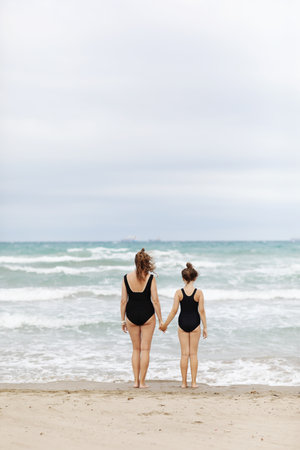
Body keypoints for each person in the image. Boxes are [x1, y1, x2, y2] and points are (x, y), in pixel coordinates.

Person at [120, 248, 163, 388]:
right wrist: (161, 320)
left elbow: (123, 301)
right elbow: (155, 300)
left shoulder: (126, 278)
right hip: (148, 315)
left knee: (135, 350)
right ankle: (143, 382)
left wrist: (122, 320)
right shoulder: (150, 278)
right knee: (145, 350)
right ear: (146, 262)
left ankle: (135, 382)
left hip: (131, 315)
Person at [159, 263, 207, 388]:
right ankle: (194, 383)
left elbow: (174, 311)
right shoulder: (199, 293)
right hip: (195, 323)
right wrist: (205, 328)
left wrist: (165, 325)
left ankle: (184, 383)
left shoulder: (178, 293)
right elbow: (201, 311)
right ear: (195, 278)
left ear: (183, 279)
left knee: (184, 354)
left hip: (182, 323)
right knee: (194, 354)